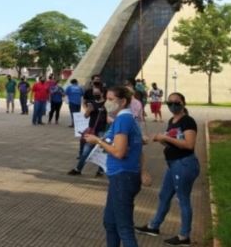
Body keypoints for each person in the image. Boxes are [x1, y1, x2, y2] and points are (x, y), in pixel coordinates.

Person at [135, 93, 199, 246]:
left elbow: (189, 145)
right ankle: (153, 226)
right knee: (164, 195)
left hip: (184, 164)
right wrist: (161, 140)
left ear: (183, 102)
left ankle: (184, 236)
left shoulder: (188, 121)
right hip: (173, 165)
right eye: (169, 103)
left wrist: (166, 138)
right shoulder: (172, 120)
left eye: (176, 102)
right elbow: (174, 143)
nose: (173, 105)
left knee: (183, 199)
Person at [85, 86, 143, 247]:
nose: (107, 103)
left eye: (111, 100)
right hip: (119, 176)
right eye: (107, 99)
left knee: (124, 228)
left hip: (123, 177)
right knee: (110, 223)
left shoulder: (124, 119)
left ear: (123, 101)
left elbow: (119, 152)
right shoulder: (123, 119)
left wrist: (97, 140)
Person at [68, 87, 107, 176]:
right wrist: (89, 110)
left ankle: (100, 170)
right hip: (92, 130)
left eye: (97, 93)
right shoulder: (92, 103)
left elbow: (108, 118)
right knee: (86, 151)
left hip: (102, 131)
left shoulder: (106, 104)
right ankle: (78, 169)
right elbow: (86, 116)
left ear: (102, 93)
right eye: (94, 93)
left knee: (101, 151)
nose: (95, 95)